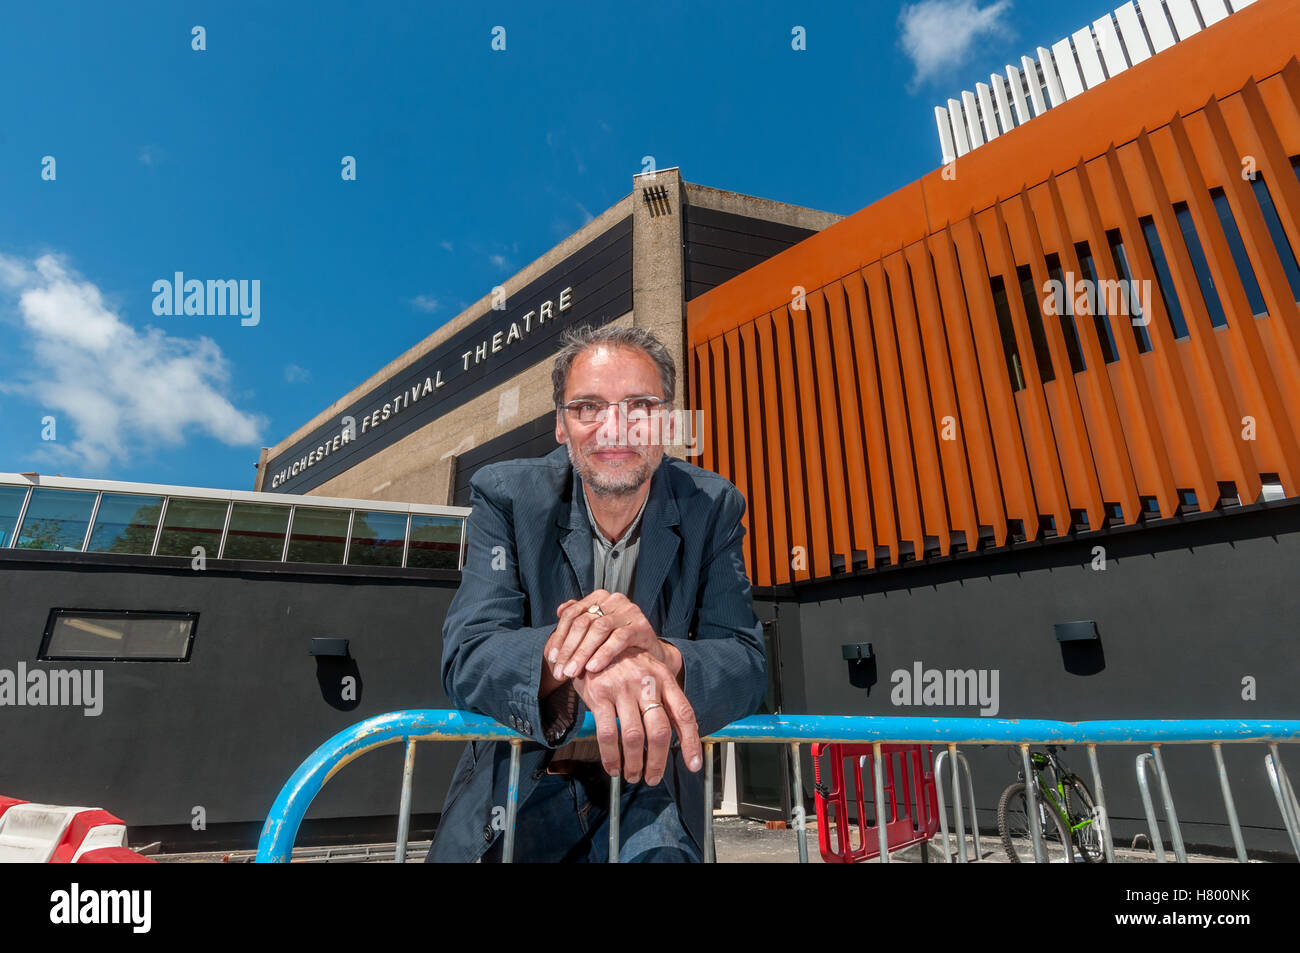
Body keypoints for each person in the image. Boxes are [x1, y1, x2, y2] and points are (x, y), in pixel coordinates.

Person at [425, 324, 767, 862]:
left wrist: (660, 656)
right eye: (588, 407)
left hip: (650, 785)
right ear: (562, 425)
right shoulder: (506, 495)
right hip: (526, 782)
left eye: (640, 406)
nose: (615, 428)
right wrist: (584, 661)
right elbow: (469, 655)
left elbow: (746, 665)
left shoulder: (713, 505)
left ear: (667, 421)